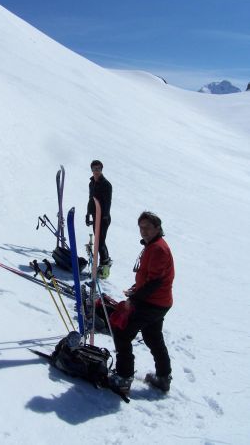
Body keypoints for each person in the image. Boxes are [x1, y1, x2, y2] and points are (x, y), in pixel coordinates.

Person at [108, 211, 175, 394]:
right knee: (152, 337)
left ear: (157, 228)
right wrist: (136, 288)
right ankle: (163, 377)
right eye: (141, 227)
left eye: (148, 227)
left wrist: (133, 300)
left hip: (152, 302)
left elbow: (155, 281)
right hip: (159, 302)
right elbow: (150, 276)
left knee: (122, 333)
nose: (143, 231)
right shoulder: (153, 246)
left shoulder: (158, 249)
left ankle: (123, 377)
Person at [86, 160, 112, 267]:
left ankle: (105, 263)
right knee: (97, 240)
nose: (96, 171)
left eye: (98, 169)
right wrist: (88, 214)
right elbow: (91, 200)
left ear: (101, 169)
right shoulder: (91, 183)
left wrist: (105, 215)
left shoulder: (106, 184)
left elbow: (107, 201)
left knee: (100, 241)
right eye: (94, 169)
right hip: (95, 216)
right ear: (91, 170)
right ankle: (101, 262)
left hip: (104, 217)